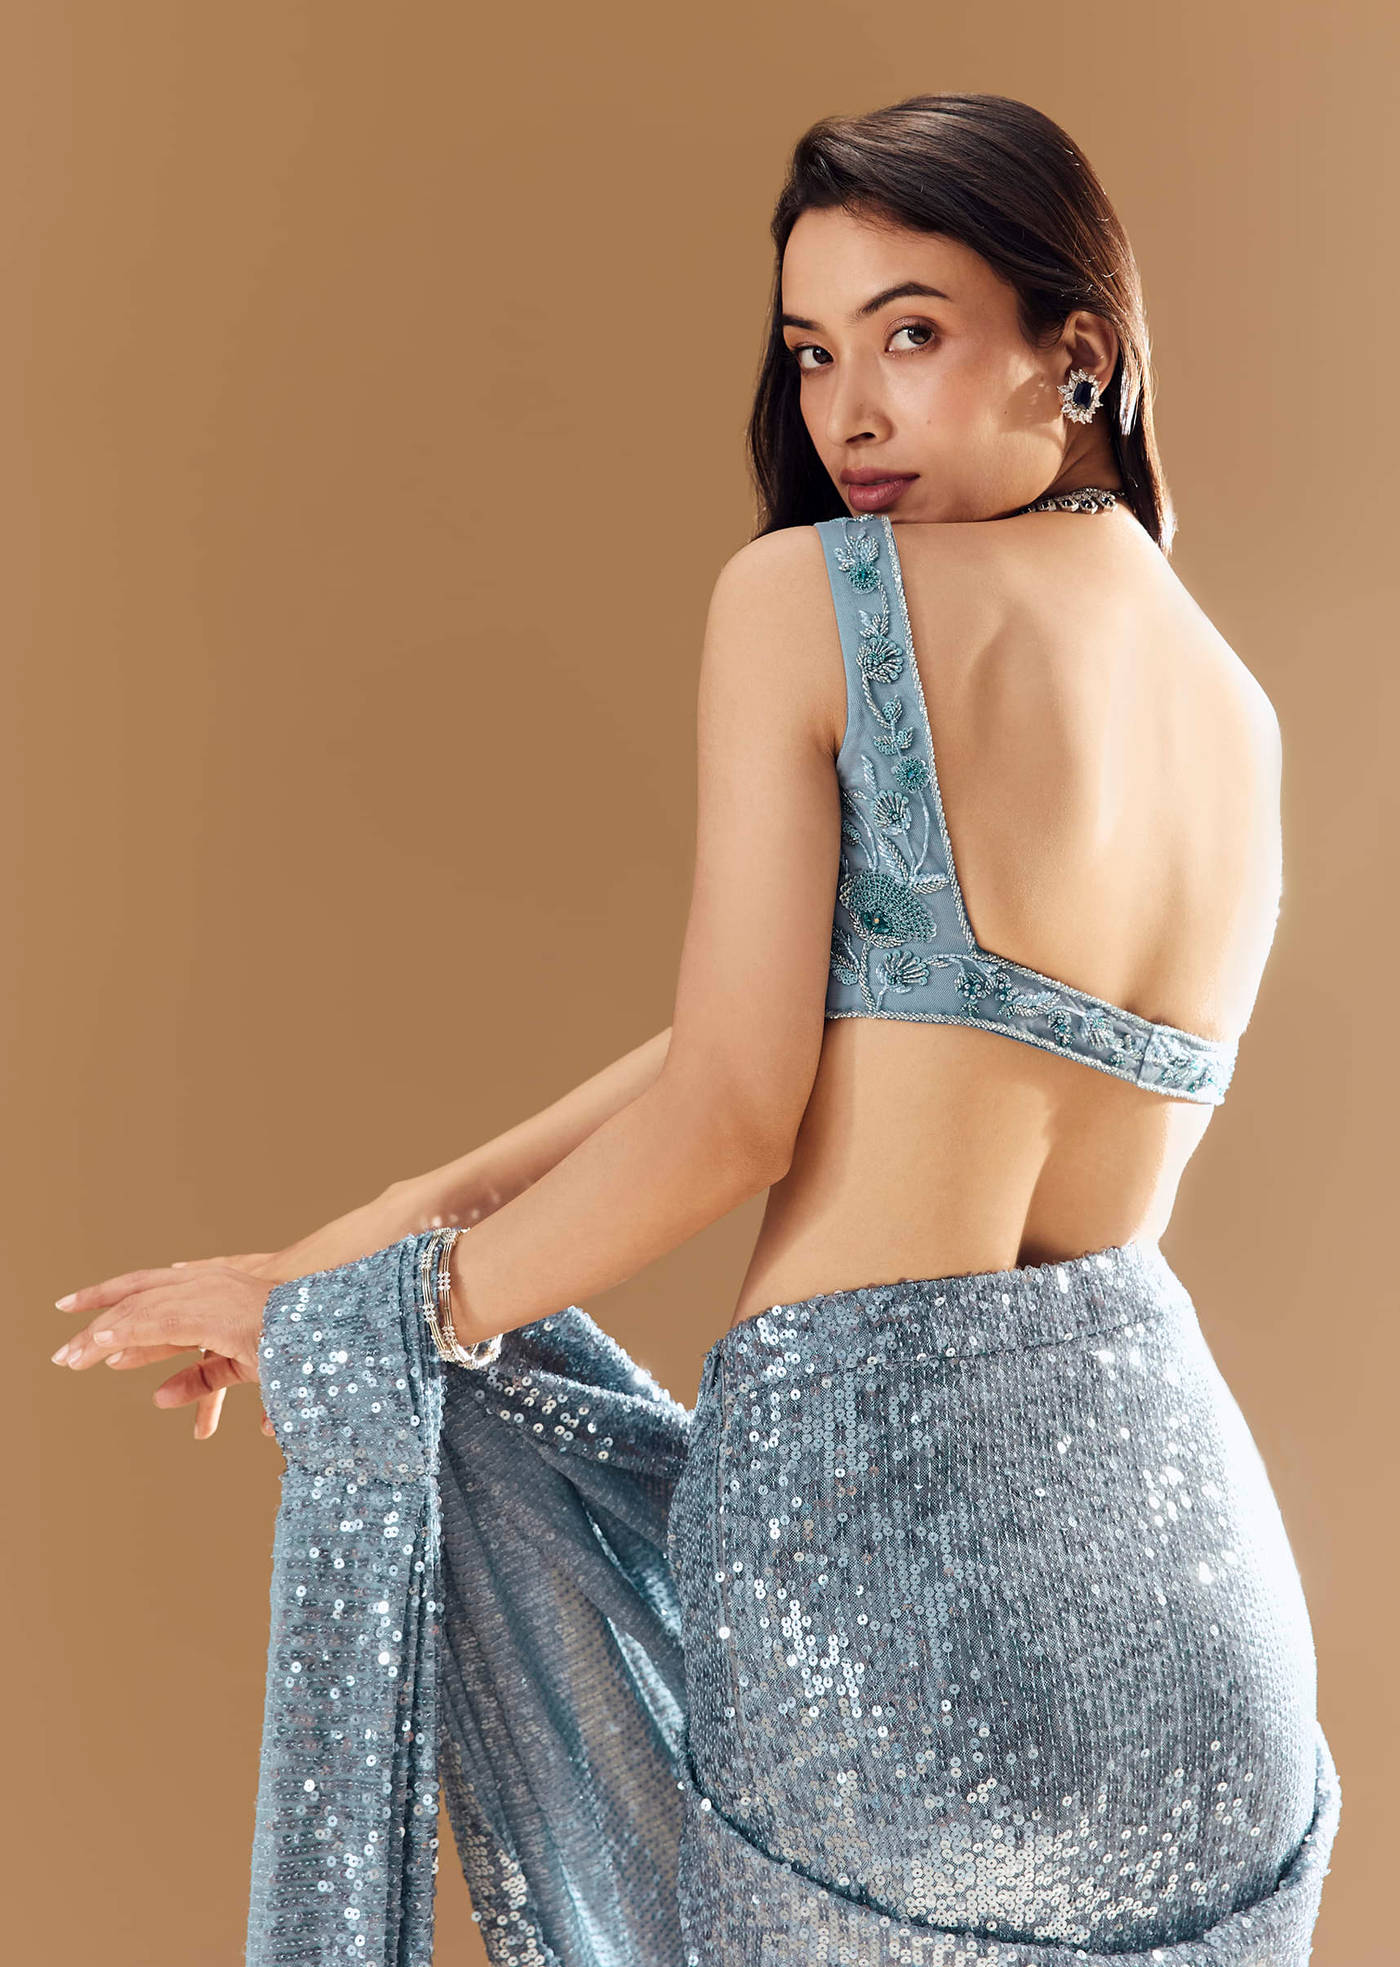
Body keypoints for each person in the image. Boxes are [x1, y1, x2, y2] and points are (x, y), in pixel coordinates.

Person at [50, 93, 1339, 1966]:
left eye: (911, 332)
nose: (848, 414)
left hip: (881, 1597)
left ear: (1080, 351)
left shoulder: (814, 598)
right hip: (1205, 1650)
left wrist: (371, 1328)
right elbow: (837, 1019)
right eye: (812, 353)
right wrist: (394, 1220)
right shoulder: (1235, 712)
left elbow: (738, 1113)